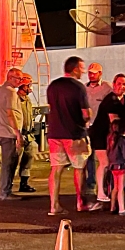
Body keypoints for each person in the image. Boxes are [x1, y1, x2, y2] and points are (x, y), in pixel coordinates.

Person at [46, 56, 93, 215]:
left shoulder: (53, 86)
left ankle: (54, 206)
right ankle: (81, 203)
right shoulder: (79, 87)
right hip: (74, 134)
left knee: (56, 169)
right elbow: (85, 114)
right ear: (74, 69)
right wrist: (88, 117)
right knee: (79, 168)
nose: (84, 71)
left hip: (54, 133)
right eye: (82, 68)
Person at [89, 74, 125, 204]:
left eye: (124, 84)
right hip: (101, 134)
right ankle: (100, 193)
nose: (121, 87)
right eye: (119, 84)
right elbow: (114, 121)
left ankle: (110, 189)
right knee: (104, 163)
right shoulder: (110, 100)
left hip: (112, 136)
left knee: (112, 163)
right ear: (114, 85)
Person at [0, 67, 25, 201]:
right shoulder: (10, 92)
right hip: (9, 132)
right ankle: (5, 192)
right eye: (18, 78)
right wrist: (18, 133)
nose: (20, 81)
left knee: (9, 162)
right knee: (9, 163)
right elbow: (10, 113)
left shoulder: (1, 90)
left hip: (3, 131)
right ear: (10, 78)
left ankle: (5, 191)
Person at [84, 62, 113, 193]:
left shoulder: (107, 88)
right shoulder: (84, 88)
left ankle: (105, 183)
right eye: (90, 73)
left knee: (103, 157)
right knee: (87, 155)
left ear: (100, 73)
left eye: (94, 73)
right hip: (87, 126)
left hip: (101, 127)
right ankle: (90, 182)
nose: (91, 76)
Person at [16, 73, 37, 193]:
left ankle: (24, 183)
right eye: (28, 85)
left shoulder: (27, 100)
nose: (30, 87)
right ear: (22, 85)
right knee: (14, 159)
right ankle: (7, 185)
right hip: (19, 134)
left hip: (28, 134)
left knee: (29, 156)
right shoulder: (15, 99)